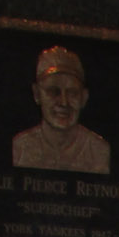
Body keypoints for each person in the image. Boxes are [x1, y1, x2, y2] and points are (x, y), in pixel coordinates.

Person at [12, 46, 110, 175]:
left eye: (72, 93)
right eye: (53, 92)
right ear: (37, 94)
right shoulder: (21, 147)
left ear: (84, 97)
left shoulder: (98, 150)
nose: (64, 102)